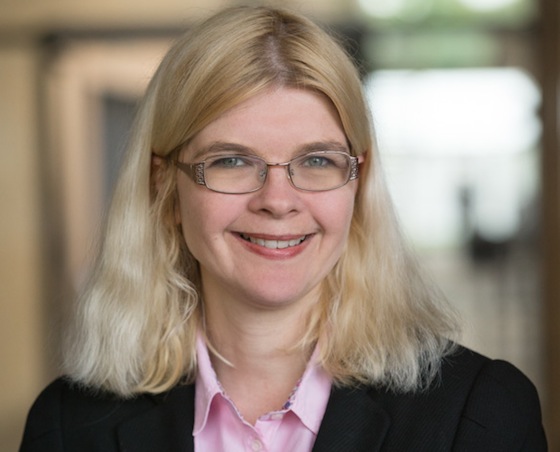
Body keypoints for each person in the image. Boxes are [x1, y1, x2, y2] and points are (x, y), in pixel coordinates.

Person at [20, 5, 546, 451]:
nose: (277, 201)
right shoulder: (66, 427)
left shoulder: (479, 414)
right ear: (165, 188)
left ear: (358, 184)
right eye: (231, 161)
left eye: (317, 161)